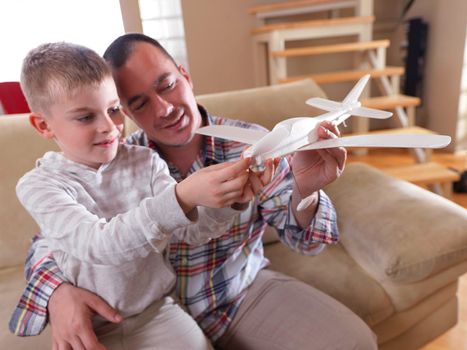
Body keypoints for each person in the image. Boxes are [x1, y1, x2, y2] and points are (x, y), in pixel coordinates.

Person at [11, 34, 378, 349]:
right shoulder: (112, 161)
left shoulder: (250, 146)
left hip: (233, 296)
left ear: (185, 76)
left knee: (354, 342)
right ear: (129, 111)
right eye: (138, 103)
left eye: (166, 84)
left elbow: (309, 243)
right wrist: (57, 293)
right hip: (148, 312)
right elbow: (52, 241)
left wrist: (306, 193)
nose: (164, 108)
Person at [14, 41, 273, 350]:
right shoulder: (39, 186)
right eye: (86, 117)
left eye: (113, 110)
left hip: (156, 313)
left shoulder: (145, 161)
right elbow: (99, 245)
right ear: (43, 125)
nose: (109, 128)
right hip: (90, 325)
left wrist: (234, 199)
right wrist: (181, 196)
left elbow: (192, 233)